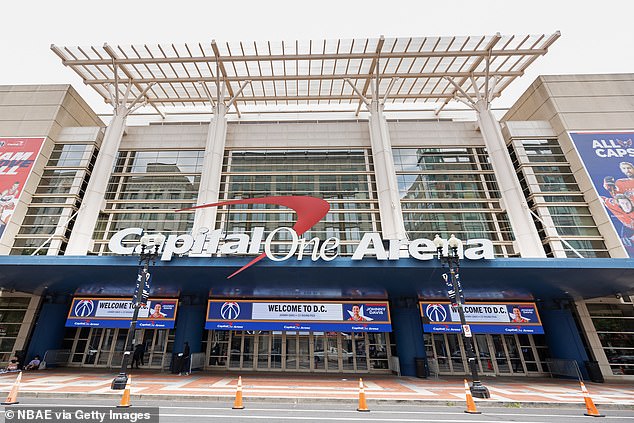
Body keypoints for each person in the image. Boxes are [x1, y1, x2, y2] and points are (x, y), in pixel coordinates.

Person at [602, 161, 634, 229]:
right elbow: (617, 197)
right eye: (624, 168)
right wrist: (609, 188)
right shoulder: (620, 182)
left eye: (629, 168)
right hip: (628, 217)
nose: (627, 170)